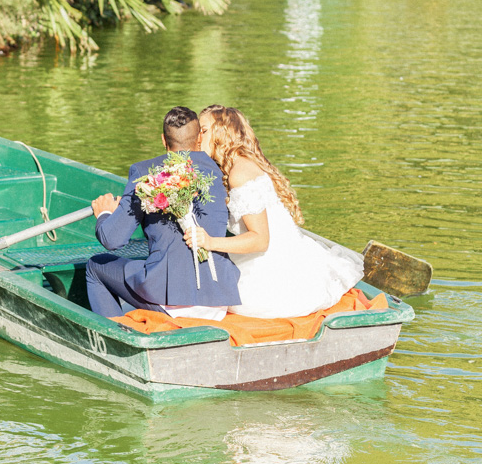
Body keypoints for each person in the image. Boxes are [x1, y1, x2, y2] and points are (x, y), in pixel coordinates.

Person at [183, 105, 362, 319]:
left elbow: (260, 240)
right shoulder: (238, 165)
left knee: (218, 298)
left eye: (203, 130)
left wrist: (209, 242)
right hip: (278, 257)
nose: (197, 137)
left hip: (274, 274)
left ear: (223, 133)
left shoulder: (240, 174)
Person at [85, 106, 241, 321]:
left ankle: (117, 337)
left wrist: (105, 214)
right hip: (218, 298)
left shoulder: (144, 172)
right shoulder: (219, 171)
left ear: (163, 140)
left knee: (96, 266)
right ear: (199, 138)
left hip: (172, 304)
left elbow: (112, 239)